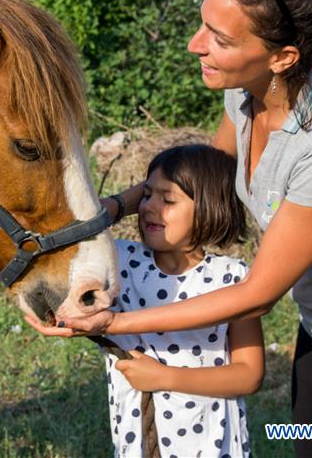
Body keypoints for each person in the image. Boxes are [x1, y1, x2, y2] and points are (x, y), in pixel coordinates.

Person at [28, 0, 312, 457]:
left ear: (282, 57)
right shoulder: (248, 89)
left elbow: (257, 293)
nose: (195, 44)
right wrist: (114, 208)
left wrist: (115, 323)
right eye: (203, 23)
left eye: (219, 38)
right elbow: (206, 177)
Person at [103, 144, 263, 457]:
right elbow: (72, 228)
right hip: (138, 444)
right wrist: (117, 205)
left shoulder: (231, 279)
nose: (149, 207)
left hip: (212, 444)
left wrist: (166, 378)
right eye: (147, 195)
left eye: (168, 199)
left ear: (208, 206)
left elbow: (249, 374)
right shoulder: (119, 262)